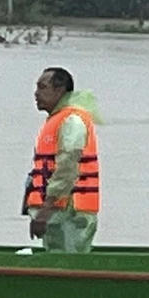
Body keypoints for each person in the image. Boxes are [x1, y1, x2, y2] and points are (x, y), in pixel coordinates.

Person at [23, 67, 100, 253]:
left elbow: (68, 168)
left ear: (59, 90)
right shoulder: (56, 120)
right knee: (56, 259)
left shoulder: (72, 121)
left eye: (42, 87)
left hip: (70, 213)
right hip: (58, 212)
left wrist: (45, 210)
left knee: (67, 263)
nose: (36, 93)